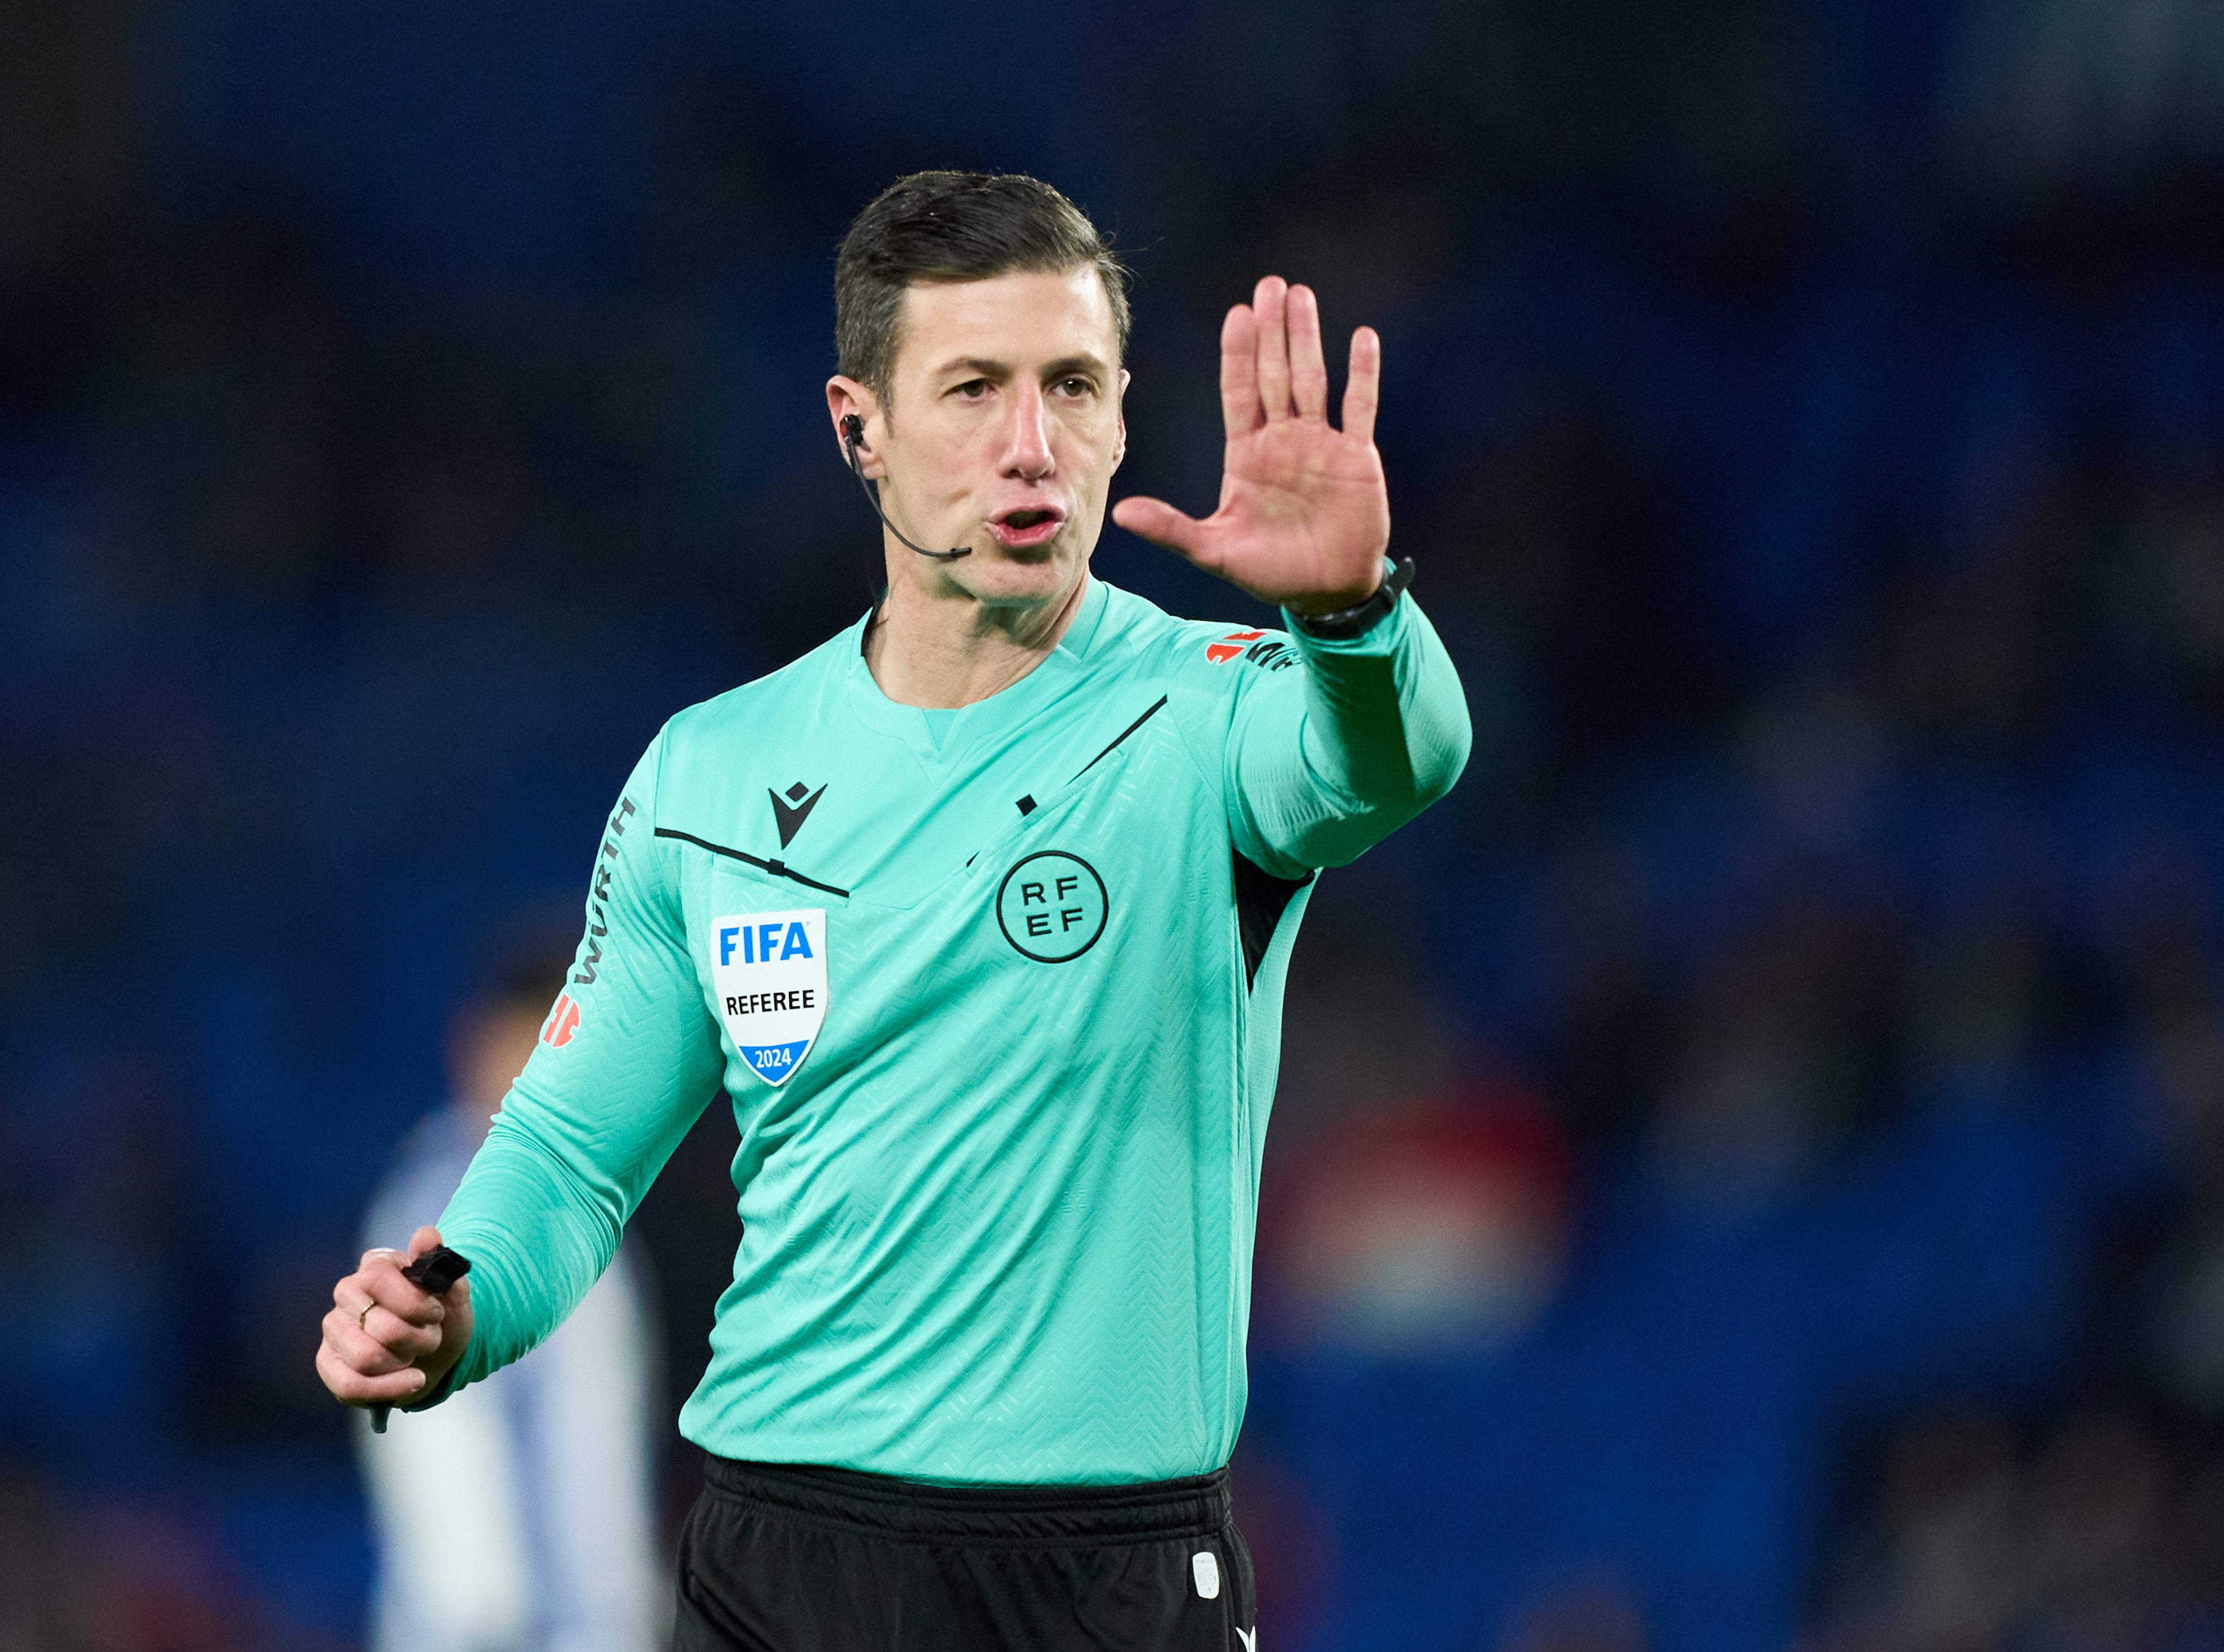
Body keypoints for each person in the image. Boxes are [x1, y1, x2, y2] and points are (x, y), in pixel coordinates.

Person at [317, 169, 1472, 1651]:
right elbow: (563, 1151)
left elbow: (1399, 761)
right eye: (975, 390)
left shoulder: (1210, 712)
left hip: (1106, 1580)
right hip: (784, 1566)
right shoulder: (709, 776)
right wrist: (455, 1302)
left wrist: (1352, 612)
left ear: (1126, 413)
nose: (1032, 446)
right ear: (860, 428)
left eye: (1072, 386)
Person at [354, 951, 662, 1652]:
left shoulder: (593, 1206)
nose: (543, 1073)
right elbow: (449, 1457)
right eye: (531, 1044)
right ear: (475, 1045)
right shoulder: (442, 1211)